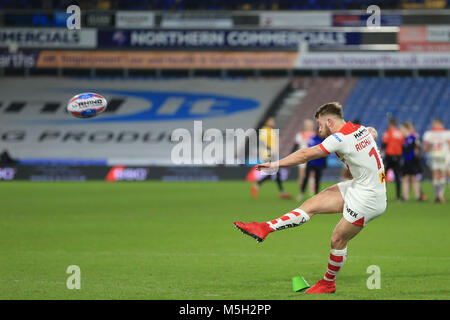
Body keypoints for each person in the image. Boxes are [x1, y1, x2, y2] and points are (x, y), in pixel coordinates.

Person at [234, 102, 386, 294]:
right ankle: (265, 228)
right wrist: (371, 134)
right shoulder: (359, 129)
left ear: (330, 122)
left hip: (369, 198)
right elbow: (372, 132)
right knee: (311, 204)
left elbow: (306, 154)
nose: (318, 128)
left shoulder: (339, 138)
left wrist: (276, 165)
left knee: (338, 239)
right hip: (362, 186)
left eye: (320, 124)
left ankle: (328, 283)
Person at [251, 117, 292, 200]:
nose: (273, 122)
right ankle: (282, 192)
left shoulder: (271, 131)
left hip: (272, 154)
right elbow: (262, 142)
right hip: (268, 155)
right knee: (277, 173)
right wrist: (269, 149)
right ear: (267, 122)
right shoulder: (264, 130)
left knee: (274, 174)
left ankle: (256, 186)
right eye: (271, 121)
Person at [423, 118, 450, 203]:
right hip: (444, 155)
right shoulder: (446, 133)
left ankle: (436, 195)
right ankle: (440, 195)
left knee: (435, 175)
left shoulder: (428, 133)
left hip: (433, 155)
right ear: (441, 124)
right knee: (442, 174)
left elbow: (425, 148)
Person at [299, 132, 326, 200]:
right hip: (311, 162)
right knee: (306, 177)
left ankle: (316, 195)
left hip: (320, 163)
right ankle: (302, 193)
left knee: (317, 179)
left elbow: (326, 152)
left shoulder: (325, 140)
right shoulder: (313, 139)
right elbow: (310, 150)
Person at [382, 118, 404, 201]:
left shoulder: (388, 132)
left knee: (383, 176)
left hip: (389, 156)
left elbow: (384, 143)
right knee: (398, 177)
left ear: (390, 124)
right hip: (398, 157)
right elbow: (402, 145)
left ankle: (382, 196)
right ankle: (398, 196)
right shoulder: (400, 133)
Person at [295, 119, 316, 201]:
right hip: (302, 157)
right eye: (307, 125)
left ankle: (312, 193)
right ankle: (301, 193)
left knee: (312, 175)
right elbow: (296, 146)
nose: (308, 126)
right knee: (302, 176)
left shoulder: (315, 135)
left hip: (312, 157)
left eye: (310, 124)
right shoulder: (300, 135)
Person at [399, 123, 422, 201]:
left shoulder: (413, 137)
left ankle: (418, 196)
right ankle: (406, 196)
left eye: (401, 128)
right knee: (405, 178)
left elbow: (417, 149)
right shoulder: (402, 138)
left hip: (412, 161)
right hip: (405, 161)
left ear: (406, 129)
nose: (400, 130)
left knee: (414, 178)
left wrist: (416, 158)